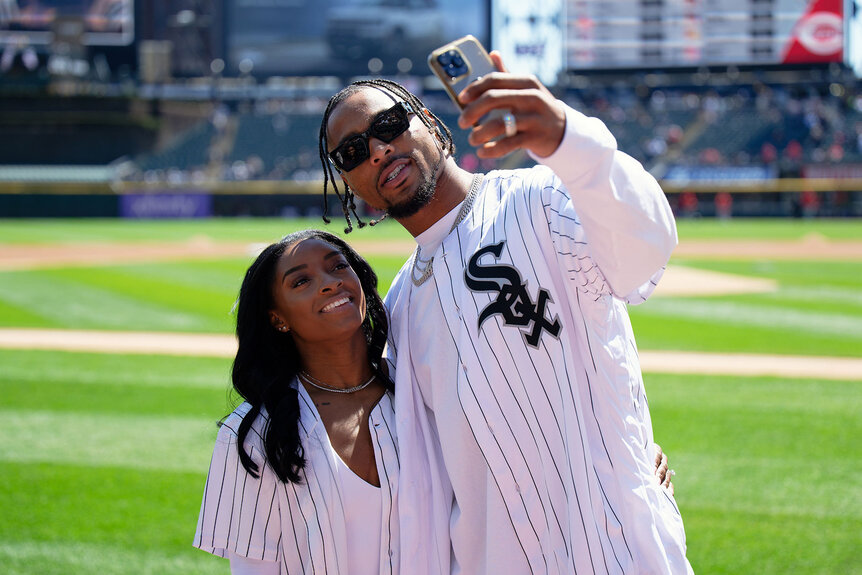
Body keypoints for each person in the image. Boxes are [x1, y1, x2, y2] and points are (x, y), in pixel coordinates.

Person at [318, 52, 691, 574]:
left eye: (388, 124)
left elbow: (645, 249)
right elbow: (422, 483)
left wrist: (567, 138)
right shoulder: (399, 310)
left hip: (619, 550)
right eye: (353, 151)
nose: (378, 150)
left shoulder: (540, 199)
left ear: (426, 120)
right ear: (350, 184)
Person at [193, 229, 400, 574]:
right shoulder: (254, 434)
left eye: (338, 267)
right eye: (301, 282)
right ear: (277, 318)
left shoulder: (418, 392)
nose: (329, 283)